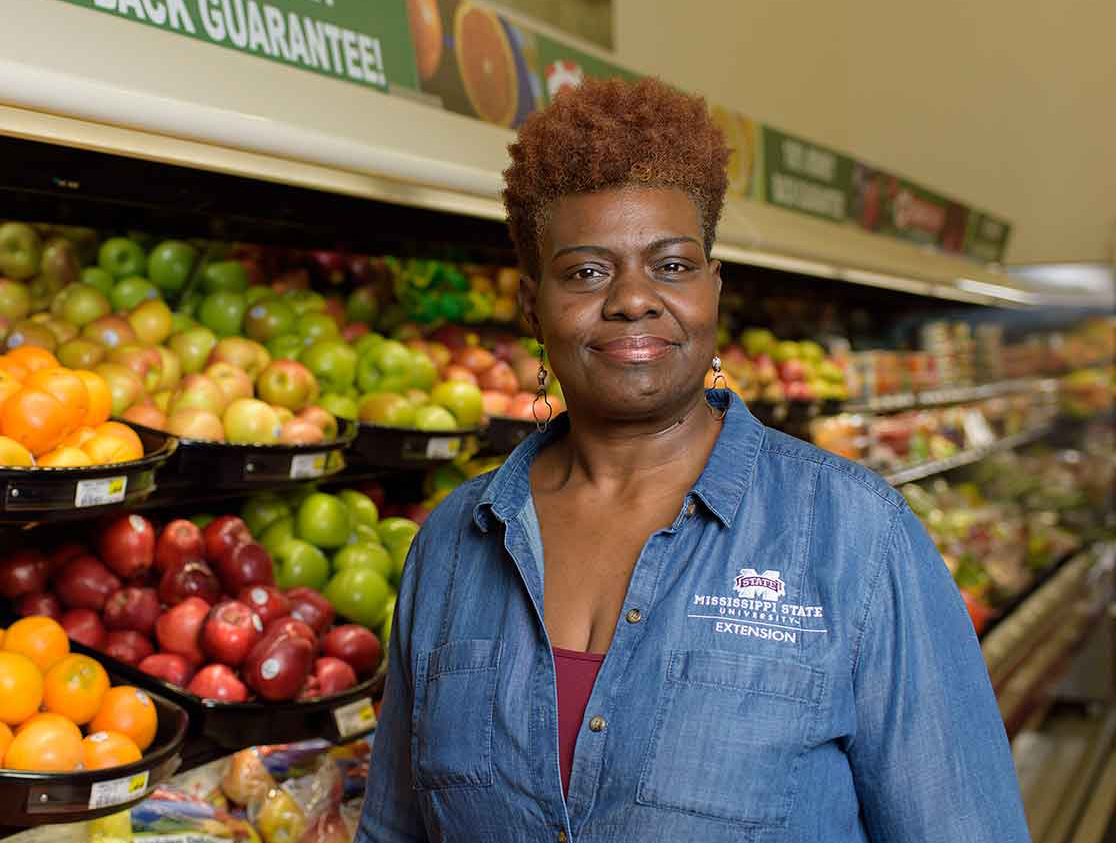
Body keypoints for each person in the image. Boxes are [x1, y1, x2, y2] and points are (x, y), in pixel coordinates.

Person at [356, 77, 1029, 842]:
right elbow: (393, 830)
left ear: (714, 289)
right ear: (530, 304)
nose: (634, 298)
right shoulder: (452, 544)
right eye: (586, 271)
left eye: (672, 265)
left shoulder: (855, 538)